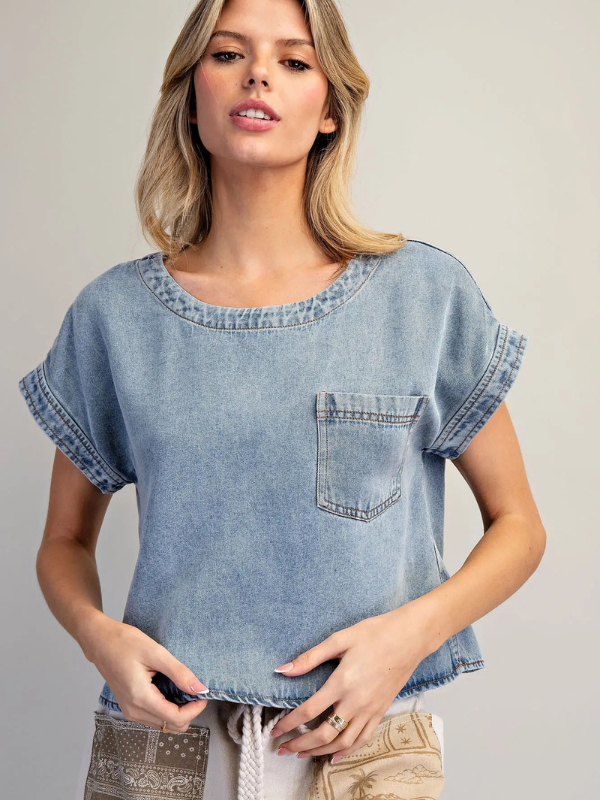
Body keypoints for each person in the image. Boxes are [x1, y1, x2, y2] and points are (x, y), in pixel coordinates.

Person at [17, 0, 546, 798]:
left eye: (295, 61)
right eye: (228, 53)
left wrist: (403, 642)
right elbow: (63, 542)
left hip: (364, 745)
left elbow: (521, 528)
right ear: (191, 94)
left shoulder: (423, 297)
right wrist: (101, 641)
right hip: (164, 747)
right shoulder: (114, 318)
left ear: (330, 108)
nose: (259, 72)